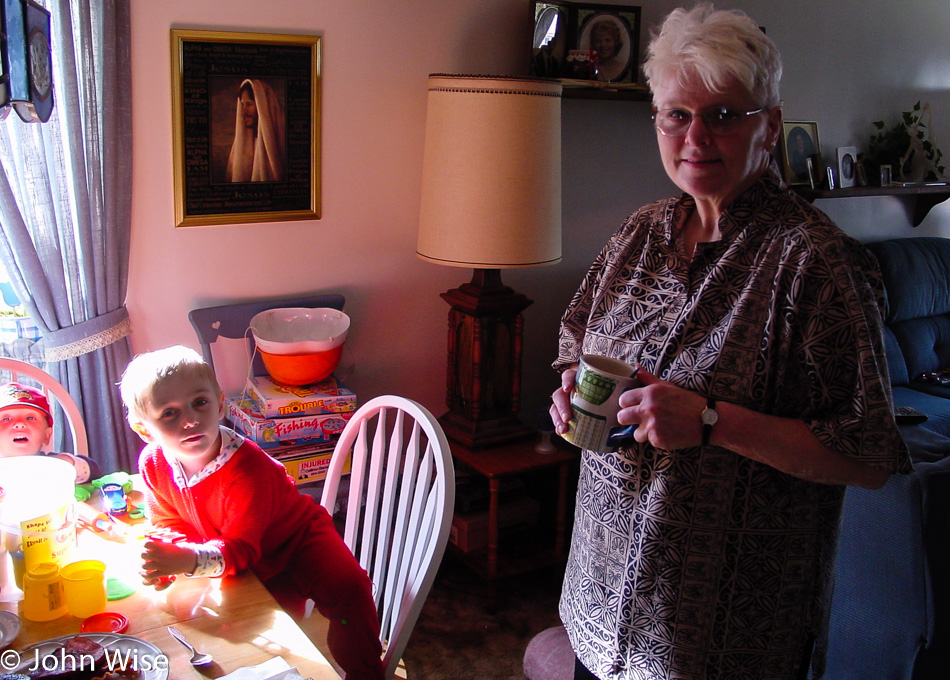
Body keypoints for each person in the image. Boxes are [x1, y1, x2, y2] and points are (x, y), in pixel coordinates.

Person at [548, 5, 911, 680]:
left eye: (723, 114)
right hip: (596, 610)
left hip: (720, 643)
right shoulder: (640, 232)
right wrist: (568, 391)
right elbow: (576, 339)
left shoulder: (817, 263)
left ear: (769, 126)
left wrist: (712, 421)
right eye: (676, 114)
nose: (695, 136)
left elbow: (868, 457)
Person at [119, 345, 384, 680]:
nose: (189, 419)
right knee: (263, 634)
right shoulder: (153, 463)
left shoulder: (247, 471)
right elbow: (170, 521)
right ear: (144, 429)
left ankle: (366, 673)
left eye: (199, 403)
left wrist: (186, 559)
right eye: (169, 413)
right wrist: (164, 559)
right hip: (239, 548)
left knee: (350, 593)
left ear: (219, 404)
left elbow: (241, 549)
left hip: (298, 540)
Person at [0, 381, 100, 483]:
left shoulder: (51, 465)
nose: (20, 424)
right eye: (6, 419)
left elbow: (94, 472)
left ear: (46, 436)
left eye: (30, 418)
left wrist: (69, 462)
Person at [225, 78, 286, 182]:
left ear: (262, 105)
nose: (244, 111)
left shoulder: (283, 140)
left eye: (249, 104)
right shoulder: (242, 146)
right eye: (243, 104)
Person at [587, 18, 626, 82]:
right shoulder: (588, 69)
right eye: (598, 41)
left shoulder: (622, 68)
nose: (603, 45)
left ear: (615, 42)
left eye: (607, 40)